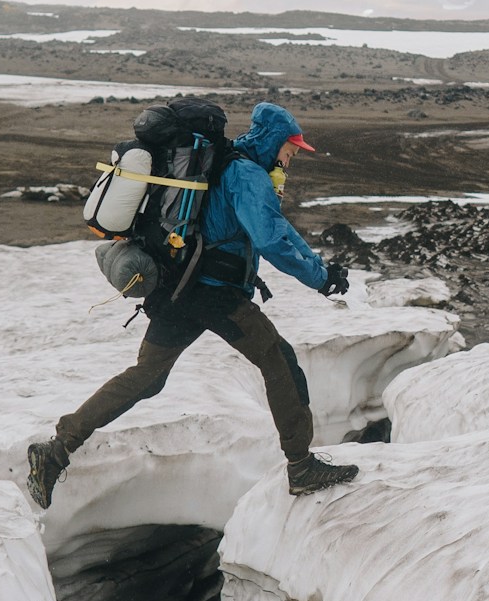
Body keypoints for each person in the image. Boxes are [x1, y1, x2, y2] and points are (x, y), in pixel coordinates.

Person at [27, 101, 359, 507]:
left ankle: (57, 449)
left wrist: (319, 266)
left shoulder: (222, 163)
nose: (291, 160)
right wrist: (320, 278)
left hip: (175, 289)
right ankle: (302, 466)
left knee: (147, 376)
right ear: (275, 143)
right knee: (279, 361)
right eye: (290, 151)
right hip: (214, 294)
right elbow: (272, 240)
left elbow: (277, 227)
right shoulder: (247, 174)